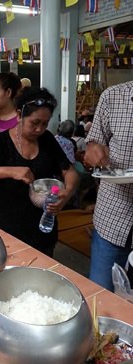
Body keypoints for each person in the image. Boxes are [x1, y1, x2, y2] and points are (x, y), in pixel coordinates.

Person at [0, 87, 79, 257]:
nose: (40, 129)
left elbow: (70, 172)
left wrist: (66, 194)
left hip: (43, 230)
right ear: (19, 115)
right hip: (9, 231)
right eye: (35, 123)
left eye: (45, 124)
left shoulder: (46, 140)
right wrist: (11, 171)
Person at [84, 81, 133, 291]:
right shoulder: (113, 97)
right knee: (102, 293)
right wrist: (94, 150)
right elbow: (93, 144)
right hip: (114, 216)